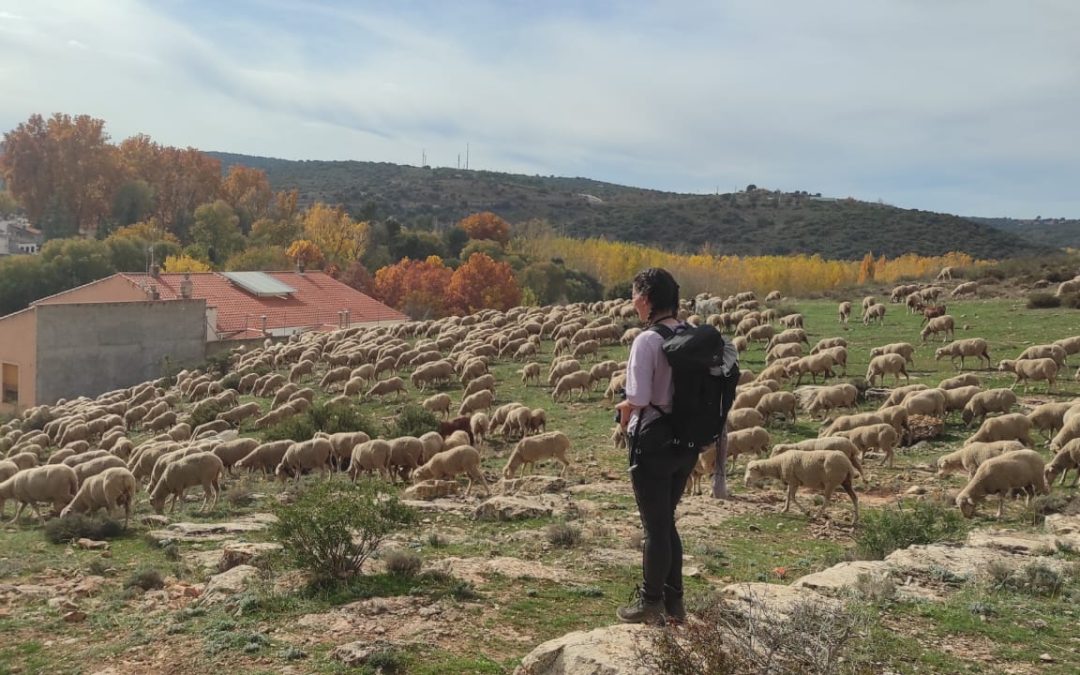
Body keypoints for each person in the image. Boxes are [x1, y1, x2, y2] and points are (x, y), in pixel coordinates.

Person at [614, 267, 698, 625]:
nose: (632, 303)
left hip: (654, 443)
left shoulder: (646, 341)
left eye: (634, 296)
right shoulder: (692, 334)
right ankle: (675, 603)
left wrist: (623, 412)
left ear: (646, 299)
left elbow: (639, 396)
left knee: (655, 527)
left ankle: (650, 603)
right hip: (687, 442)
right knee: (667, 523)